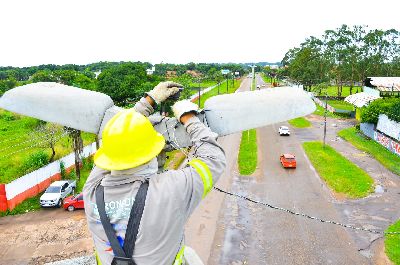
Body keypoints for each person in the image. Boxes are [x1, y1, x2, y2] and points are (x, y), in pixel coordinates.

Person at [83, 81, 226, 265]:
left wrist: (148, 102)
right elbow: (213, 159)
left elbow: (120, 141)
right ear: (152, 153)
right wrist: (189, 118)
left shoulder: (92, 192)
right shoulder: (169, 190)